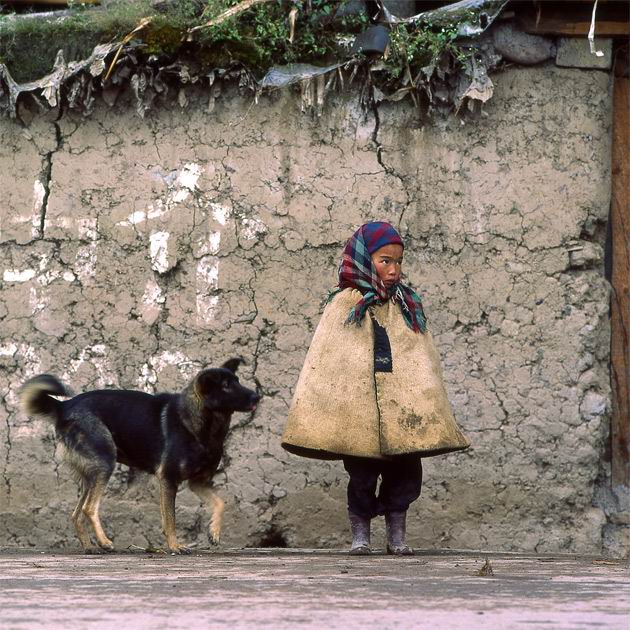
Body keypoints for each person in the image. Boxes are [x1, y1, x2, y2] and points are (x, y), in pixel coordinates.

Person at [282, 221, 469, 555]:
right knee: (362, 475)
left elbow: (420, 360)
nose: (394, 270)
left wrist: (420, 400)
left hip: (402, 412)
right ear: (364, 260)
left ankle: (397, 537)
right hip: (360, 415)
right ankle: (361, 536)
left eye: (398, 262)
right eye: (385, 261)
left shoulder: (405, 304)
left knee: (406, 475)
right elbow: (330, 364)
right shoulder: (344, 305)